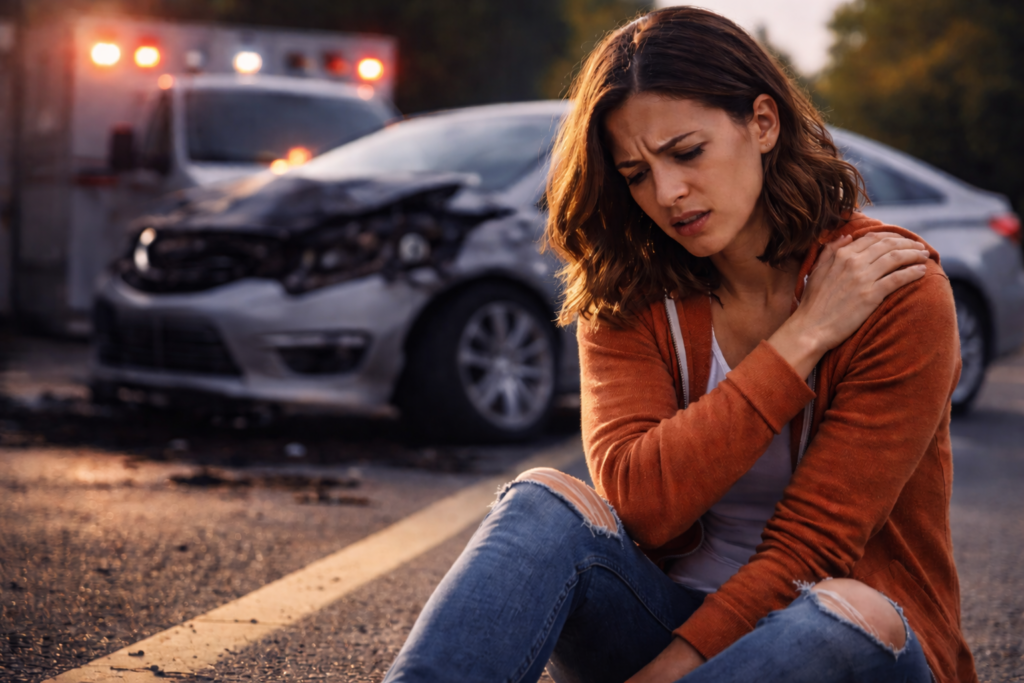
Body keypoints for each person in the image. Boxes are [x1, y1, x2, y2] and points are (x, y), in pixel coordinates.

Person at [383, 7, 975, 683]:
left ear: (763, 122)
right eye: (636, 173)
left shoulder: (894, 289)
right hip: (664, 623)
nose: (667, 194)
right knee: (542, 502)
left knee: (847, 611)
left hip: (833, 641)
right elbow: (642, 502)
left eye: (686, 153)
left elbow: (816, 546)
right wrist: (801, 340)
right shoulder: (630, 286)